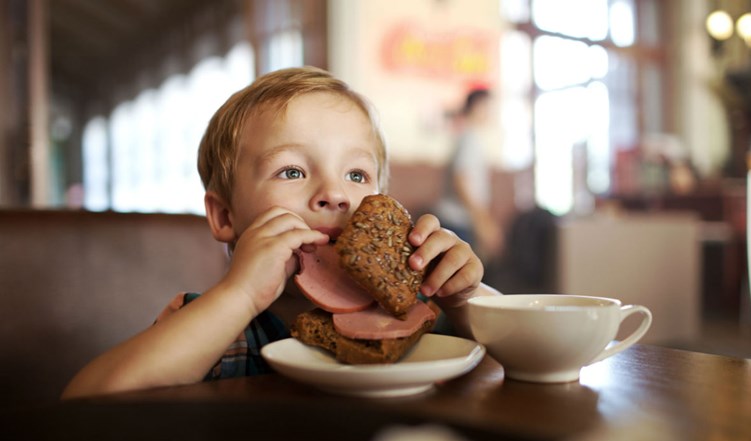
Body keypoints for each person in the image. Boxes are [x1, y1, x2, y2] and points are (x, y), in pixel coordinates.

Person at [62, 66, 501, 399]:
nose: (334, 194)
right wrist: (240, 296)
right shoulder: (216, 324)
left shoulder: (418, 311)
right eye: (291, 171)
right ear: (225, 217)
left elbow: (534, 365)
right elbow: (90, 402)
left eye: (357, 174)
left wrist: (466, 299)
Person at [435, 88, 504, 262]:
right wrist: (483, 223)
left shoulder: (467, 137)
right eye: (489, 107)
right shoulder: (469, 139)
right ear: (477, 106)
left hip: (460, 222)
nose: (491, 112)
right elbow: (461, 182)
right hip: (457, 222)